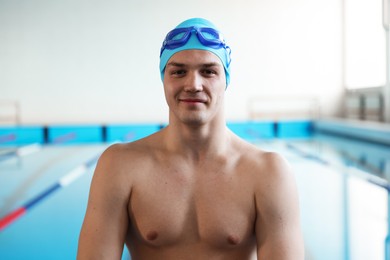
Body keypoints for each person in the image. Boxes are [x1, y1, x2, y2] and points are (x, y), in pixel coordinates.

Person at [77, 18, 304, 260]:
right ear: (164, 79)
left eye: (208, 71)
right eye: (178, 72)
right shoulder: (119, 166)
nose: (193, 84)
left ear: (226, 79)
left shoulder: (268, 173)